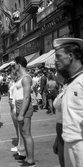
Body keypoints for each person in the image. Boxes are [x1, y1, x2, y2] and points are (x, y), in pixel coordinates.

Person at [53, 37, 83, 167]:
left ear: (70, 56)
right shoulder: (69, 82)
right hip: (68, 141)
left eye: (59, 56)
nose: (55, 60)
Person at [13, 56, 36, 167]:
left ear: (19, 64)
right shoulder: (21, 77)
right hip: (19, 105)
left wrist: (21, 113)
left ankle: (31, 160)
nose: (14, 66)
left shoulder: (26, 78)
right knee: (23, 133)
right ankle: (27, 157)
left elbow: (26, 97)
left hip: (24, 106)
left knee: (26, 134)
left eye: (15, 64)